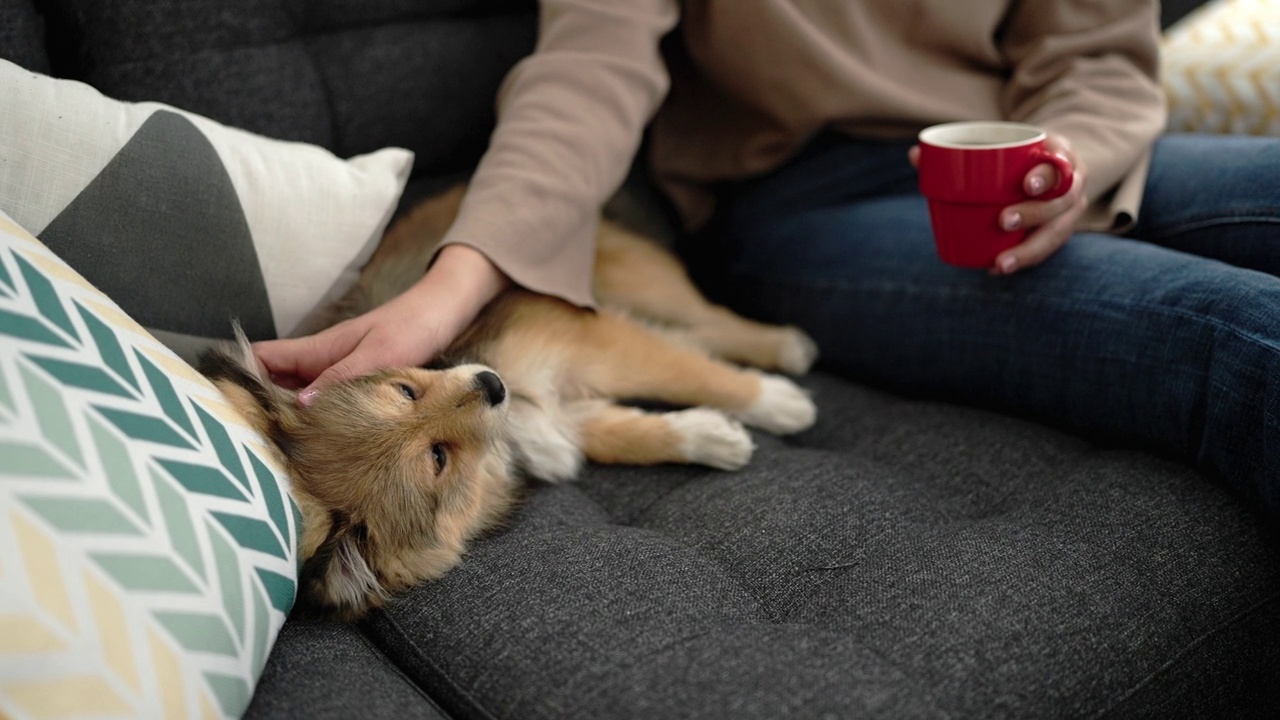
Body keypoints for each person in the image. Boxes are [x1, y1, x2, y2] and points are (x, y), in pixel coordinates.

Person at [254, 1, 1280, 521]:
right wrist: (451, 287)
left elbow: (1094, 53)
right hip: (799, 202)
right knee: (1235, 335)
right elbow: (586, 70)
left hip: (1024, 147)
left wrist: (1073, 163)